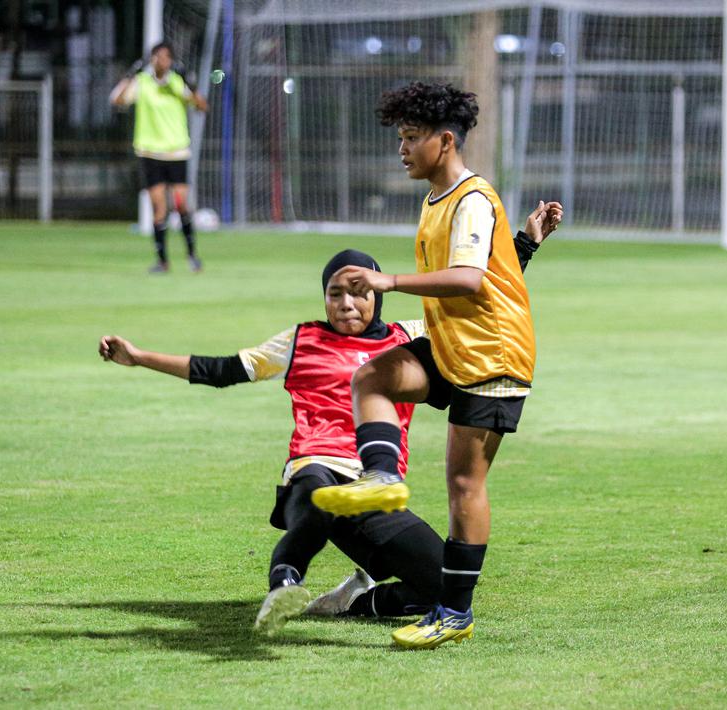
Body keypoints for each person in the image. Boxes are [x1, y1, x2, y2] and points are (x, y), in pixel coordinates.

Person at [97, 206, 559, 636]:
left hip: (374, 487)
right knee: (317, 496)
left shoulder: (409, 339)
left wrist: (526, 243)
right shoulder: (301, 340)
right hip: (315, 466)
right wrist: (139, 358)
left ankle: (354, 600)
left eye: (358, 292)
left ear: (377, 292)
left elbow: (474, 295)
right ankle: (284, 584)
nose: (347, 304)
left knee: (446, 587)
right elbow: (219, 371)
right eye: (335, 294)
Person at [312, 81, 538, 649]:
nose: (402, 148)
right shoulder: (439, 198)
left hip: (493, 356)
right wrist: (526, 246)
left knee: (465, 483)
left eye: (411, 138)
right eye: (400, 138)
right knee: (374, 376)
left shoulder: (471, 197)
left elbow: (468, 279)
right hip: (456, 343)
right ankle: (383, 475)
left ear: (445, 140)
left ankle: (454, 614)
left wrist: (388, 281)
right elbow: (495, 275)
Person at [110, 41, 209, 274]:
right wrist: (129, 75)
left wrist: (192, 86)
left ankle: (192, 255)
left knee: (182, 204)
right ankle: (162, 261)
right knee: (159, 208)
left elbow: (202, 106)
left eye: (164, 57)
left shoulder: (177, 83)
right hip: (150, 152)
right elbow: (116, 100)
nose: (160, 61)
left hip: (176, 151)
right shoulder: (142, 83)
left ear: (171, 61)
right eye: (156, 57)